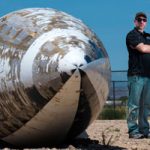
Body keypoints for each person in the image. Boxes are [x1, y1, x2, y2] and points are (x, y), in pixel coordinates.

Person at [126, 12, 150, 139]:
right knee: (134, 105)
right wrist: (146, 46)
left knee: (146, 105)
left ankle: (145, 130)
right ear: (135, 21)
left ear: (146, 22)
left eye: (144, 20)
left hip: (148, 76)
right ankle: (133, 131)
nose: (142, 22)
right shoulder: (132, 35)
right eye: (139, 20)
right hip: (136, 75)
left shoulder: (147, 37)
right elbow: (143, 49)